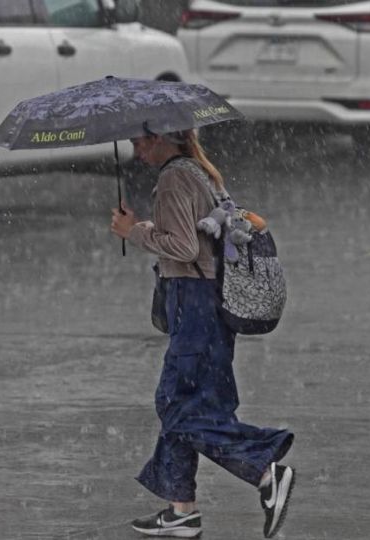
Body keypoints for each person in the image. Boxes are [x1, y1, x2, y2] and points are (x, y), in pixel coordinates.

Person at [110, 126, 295, 539]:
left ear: (161, 138)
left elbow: (184, 248)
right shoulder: (200, 172)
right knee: (197, 401)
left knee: (177, 405)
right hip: (211, 302)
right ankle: (181, 511)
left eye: (140, 143)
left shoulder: (175, 178)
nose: (136, 152)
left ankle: (265, 470)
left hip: (193, 302)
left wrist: (133, 231)